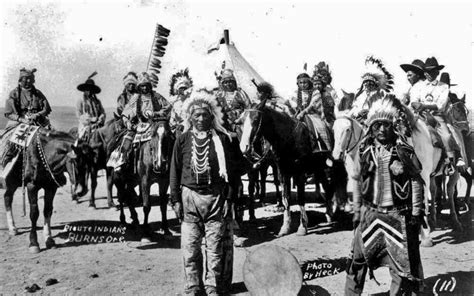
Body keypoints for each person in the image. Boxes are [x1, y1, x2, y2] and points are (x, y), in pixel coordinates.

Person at [345, 95, 424, 296]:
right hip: (370, 215)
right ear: (370, 128)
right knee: (357, 261)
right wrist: (357, 211)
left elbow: (416, 181)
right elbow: (357, 181)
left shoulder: (403, 151)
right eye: (377, 125)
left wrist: (415, 212)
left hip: (397, 216)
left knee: (400, 266)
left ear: (393, 127)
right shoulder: (364, 151)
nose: (381, 129)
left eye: (386, 125)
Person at [170, 88, 243, 296]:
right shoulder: (182, 139)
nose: (201, 118)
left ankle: (212, 287)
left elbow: (232, 172)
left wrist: (229, 197)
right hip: (189, 198)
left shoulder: (223, 139)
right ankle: (193, 286)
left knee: (215, 249)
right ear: (190, 117)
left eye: (204, 114)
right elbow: (174, 171)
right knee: (190, 247)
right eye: (196, 115)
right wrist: (175, 199)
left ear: (212, 116)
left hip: (217, 199)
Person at [410, 57, 462, 169]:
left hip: (436, 117)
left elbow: (441, 105)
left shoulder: (443, 86)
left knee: (447, 136)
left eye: (431, 71)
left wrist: (424, 105)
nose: (428, 74)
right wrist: (416, 105)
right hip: (420, 116)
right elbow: (413, 100)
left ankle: (449, 161)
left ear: (437, 72)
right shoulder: (418, 86)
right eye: (426, 71)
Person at [118, 72, 171, 169]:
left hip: (156, 125)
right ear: (139, 87)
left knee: (168, 139)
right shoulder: (136, 98)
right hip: (140, 125)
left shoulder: (156, 96)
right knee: (126, 140)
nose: (145, 88)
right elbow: (126, 113)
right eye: (142, 86)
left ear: (149, 86)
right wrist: (127, 122)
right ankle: (123, 162)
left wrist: (156, 113)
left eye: (146, 85)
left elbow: (168, 107)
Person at [1, 68, 52, 169]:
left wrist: (37, 115)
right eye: (26, 79)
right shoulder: (14, 93)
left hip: (38, 121)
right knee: (14, 140)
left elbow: (46, 109)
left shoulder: (38, 93)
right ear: (21, 80)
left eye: (30, 79)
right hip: (19, 121)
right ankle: (6, 160)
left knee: (51, 138)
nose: (28, 81)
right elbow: (8, 113)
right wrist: (21, 119)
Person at [290, 72, 332, 152]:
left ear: (309, 82)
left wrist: (303, 112)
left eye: (305, 82)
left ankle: (326, 150)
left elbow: (312, 105)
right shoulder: (295, 93)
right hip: (298, 115)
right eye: (300, 83)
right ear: (298, 84)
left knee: (321, 128)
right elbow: (293, 104)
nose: (303, 85)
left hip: (313, 115)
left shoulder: (315, 92)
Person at [350, 56, 393, 121]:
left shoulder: (380, 96)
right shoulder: (360, 97)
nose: (368, 87)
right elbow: (353, 110)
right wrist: (358, 113)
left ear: (375, 85)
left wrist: (369, 113)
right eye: (366, 85)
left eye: (370, 84)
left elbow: (385, 110)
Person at [214, 68, 251, 135]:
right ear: (222, 84)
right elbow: (215, 110)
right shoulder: (219, 95)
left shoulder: (241, 93)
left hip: (242, 125)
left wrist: (241, 119)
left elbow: (249, 108)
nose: (228, 84)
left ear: (234, 82)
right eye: (225, 82)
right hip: (225, 126)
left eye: (230, 82)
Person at [76, 72, 106, 141]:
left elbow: (102, 112)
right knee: (82, 140)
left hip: (98, 125)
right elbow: (78, 114)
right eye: (87, 89)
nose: (89, 91)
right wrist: (90, 119)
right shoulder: (81, 101)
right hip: (85, 126)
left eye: (91, 89)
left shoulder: (97, 101)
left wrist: (100, 118)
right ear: (84, 90)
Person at [169, 68, 193, 136]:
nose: (182, 91)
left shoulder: (191, 102)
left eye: (184, 89)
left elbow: (192, 117)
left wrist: (184, 125)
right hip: (178, 130)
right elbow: (172, 118)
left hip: (190, 128)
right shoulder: (175, 104)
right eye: (181, 89)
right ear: (178, 90)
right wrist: (174, 125)